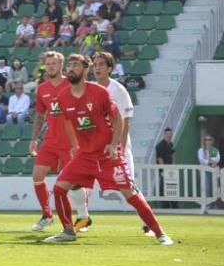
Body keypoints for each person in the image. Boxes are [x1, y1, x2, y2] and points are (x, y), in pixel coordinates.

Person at [43, 55, 172, 245]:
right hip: (85, 155)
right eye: (68, 65)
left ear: (85, 70)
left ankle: (160, 233)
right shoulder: (63, 96)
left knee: (130, 193)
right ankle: (68, 231)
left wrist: (114, 145)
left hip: (107, 156)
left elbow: (118, 118)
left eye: (75, 65)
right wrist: (74, 146)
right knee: (59, 188)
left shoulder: (99, 92)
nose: (70, 68)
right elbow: (69, 122)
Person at [28, 51, 86, 232]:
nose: (51, 66)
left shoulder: (71, 84)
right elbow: (39, 114)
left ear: (61, 66)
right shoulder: (42, 88)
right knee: (37, 175)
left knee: (74, 182)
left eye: (54, 63)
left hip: (71, 141)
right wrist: (34, 139)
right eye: (48, 63)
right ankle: (47, 215)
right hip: (50, 140)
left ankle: (83, 217)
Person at [89, 52, 136, 234]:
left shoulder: (118, 90)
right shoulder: (90, 88)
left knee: (128, 186)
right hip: (96, 145)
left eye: (101, 64)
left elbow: (125, 121)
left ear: (110, 68)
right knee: (77, 183)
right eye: (95, 64)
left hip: (117, 144)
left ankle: (148, 222)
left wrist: (120, 148)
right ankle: (82, 218)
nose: (98, 68)